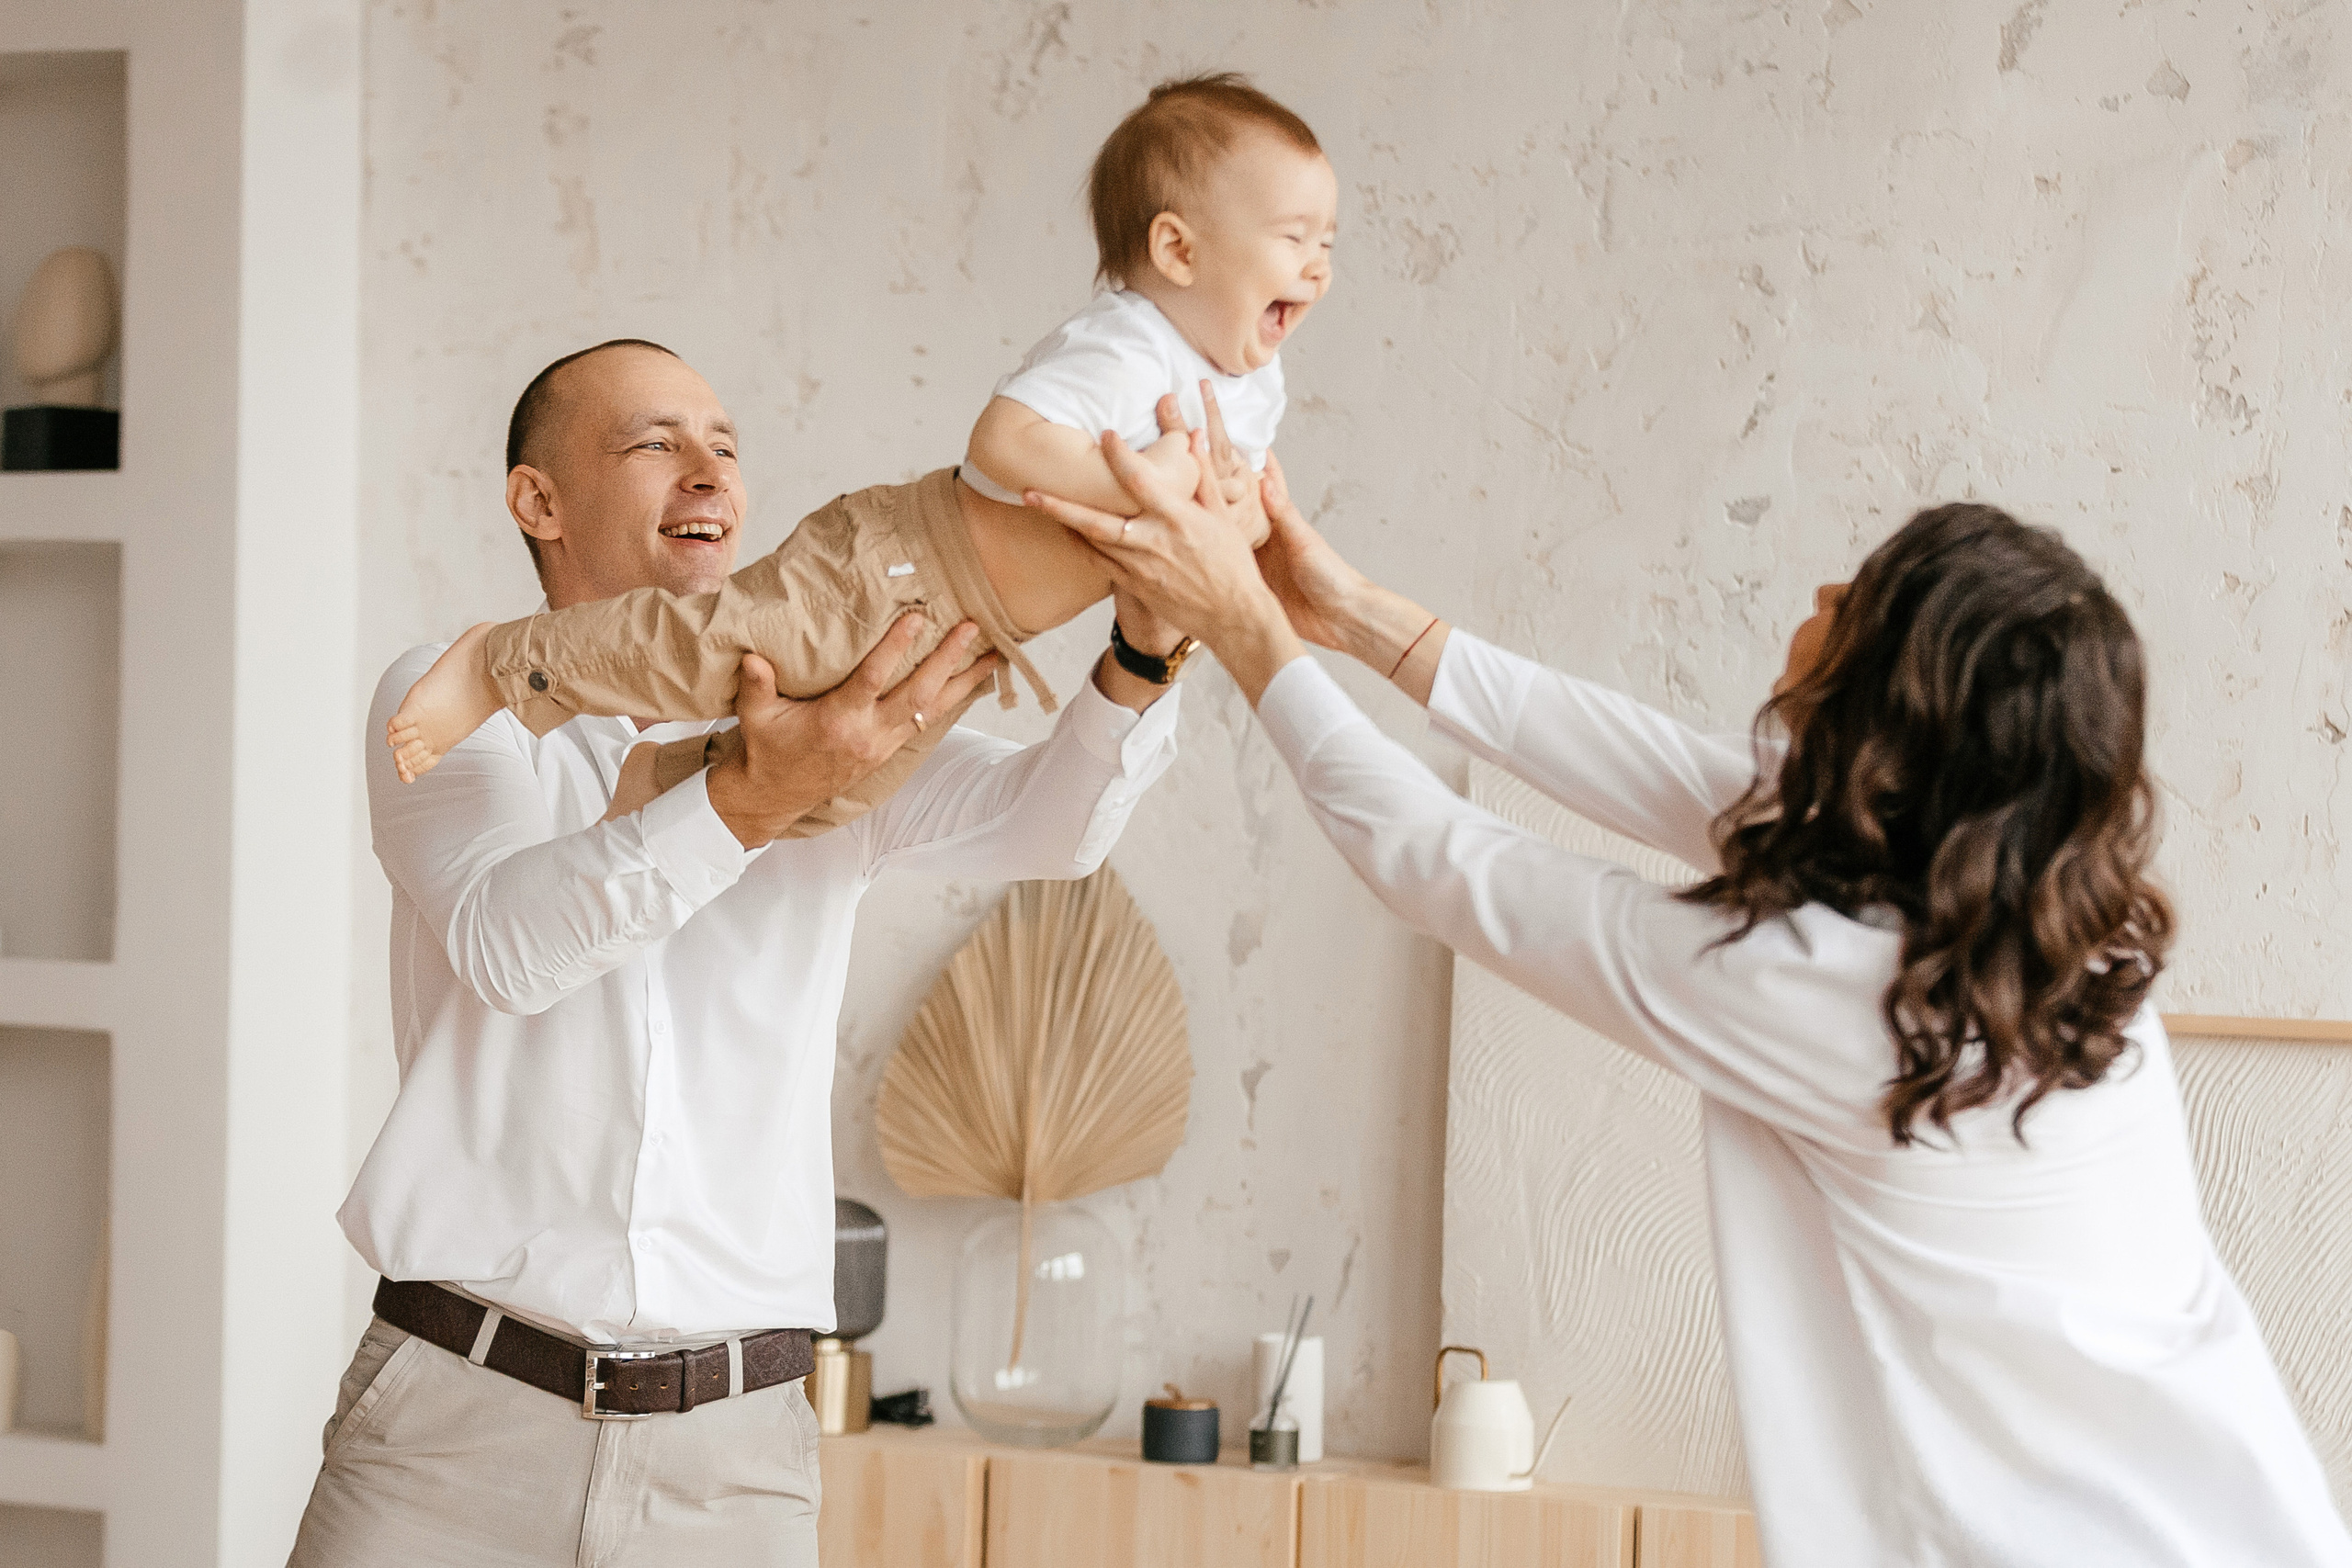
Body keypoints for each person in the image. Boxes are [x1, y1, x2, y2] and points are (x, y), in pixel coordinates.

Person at [1031, 419, 2352, 1566]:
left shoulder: (1842, 996)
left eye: (1861, 593)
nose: (1825, 586)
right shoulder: (2030, 923)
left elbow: (1441, 862)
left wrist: (1245, 629)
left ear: (1893, 701)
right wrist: (1343, 606)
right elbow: (1643, 762)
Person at [284, 339, 1190, 1567]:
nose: (708, 472)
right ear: (539, 502)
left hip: (734, 1467)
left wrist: (1142, 655)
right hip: (451, 1435)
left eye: (724, 445)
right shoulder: (457, 703)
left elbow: (1052, 825)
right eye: (655, 443)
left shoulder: (834, 721)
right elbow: (507, 947)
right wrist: (748, 801)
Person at [382, 72, 1337, 838]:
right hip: (897, 572)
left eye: (1327, 241)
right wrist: (1141, 495)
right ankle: (507, 664)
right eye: (1294, 237)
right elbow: (1004, 442)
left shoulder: (1249, 391)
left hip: (967, 631)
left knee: (836, 792)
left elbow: (1050, 831)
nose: (1320, 265)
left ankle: (664, 785)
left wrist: (1189, 597)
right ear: (1176, 250)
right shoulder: (1130, 345)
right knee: (706, 649)